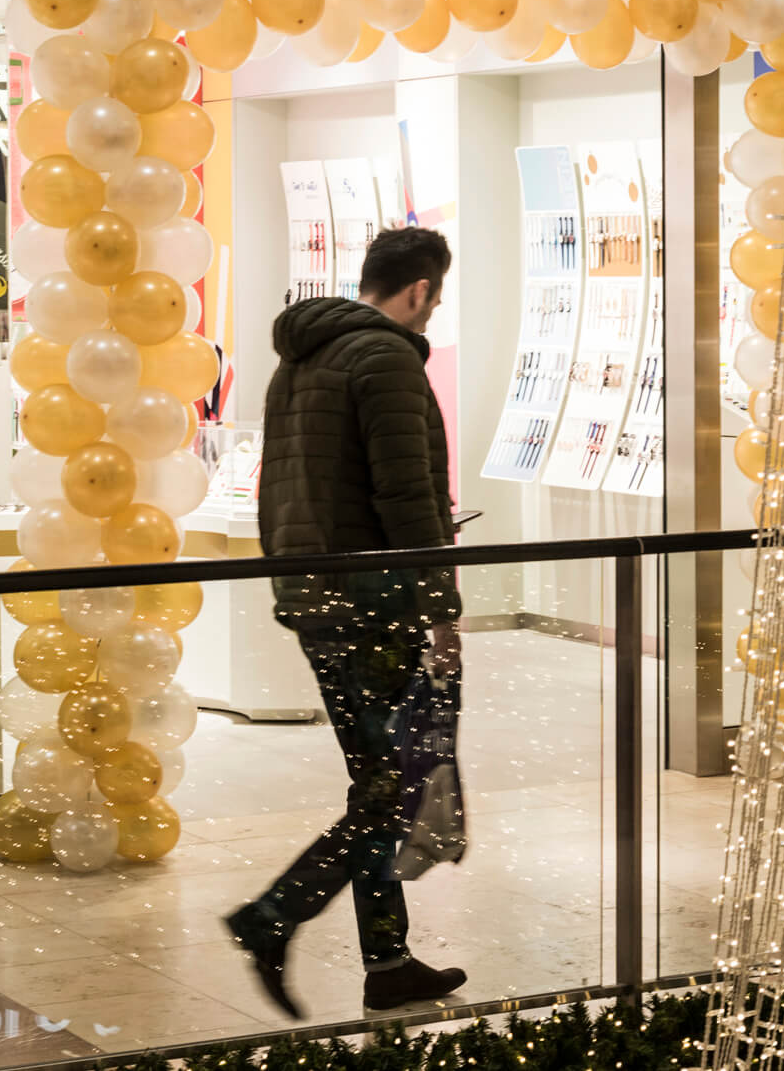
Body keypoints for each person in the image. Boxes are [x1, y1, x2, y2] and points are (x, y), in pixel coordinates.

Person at [226, 226, 465, 1018]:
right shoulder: (387, 356)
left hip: (318, 599)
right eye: (436, 297)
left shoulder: (300, 358)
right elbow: (408, 498)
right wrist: (441, 609)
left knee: (380, 784)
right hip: (375, 604)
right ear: (421, 291)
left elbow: (280, 489)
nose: (432, 311)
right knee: (389, 791)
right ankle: (273, 917)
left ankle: (388, 962)